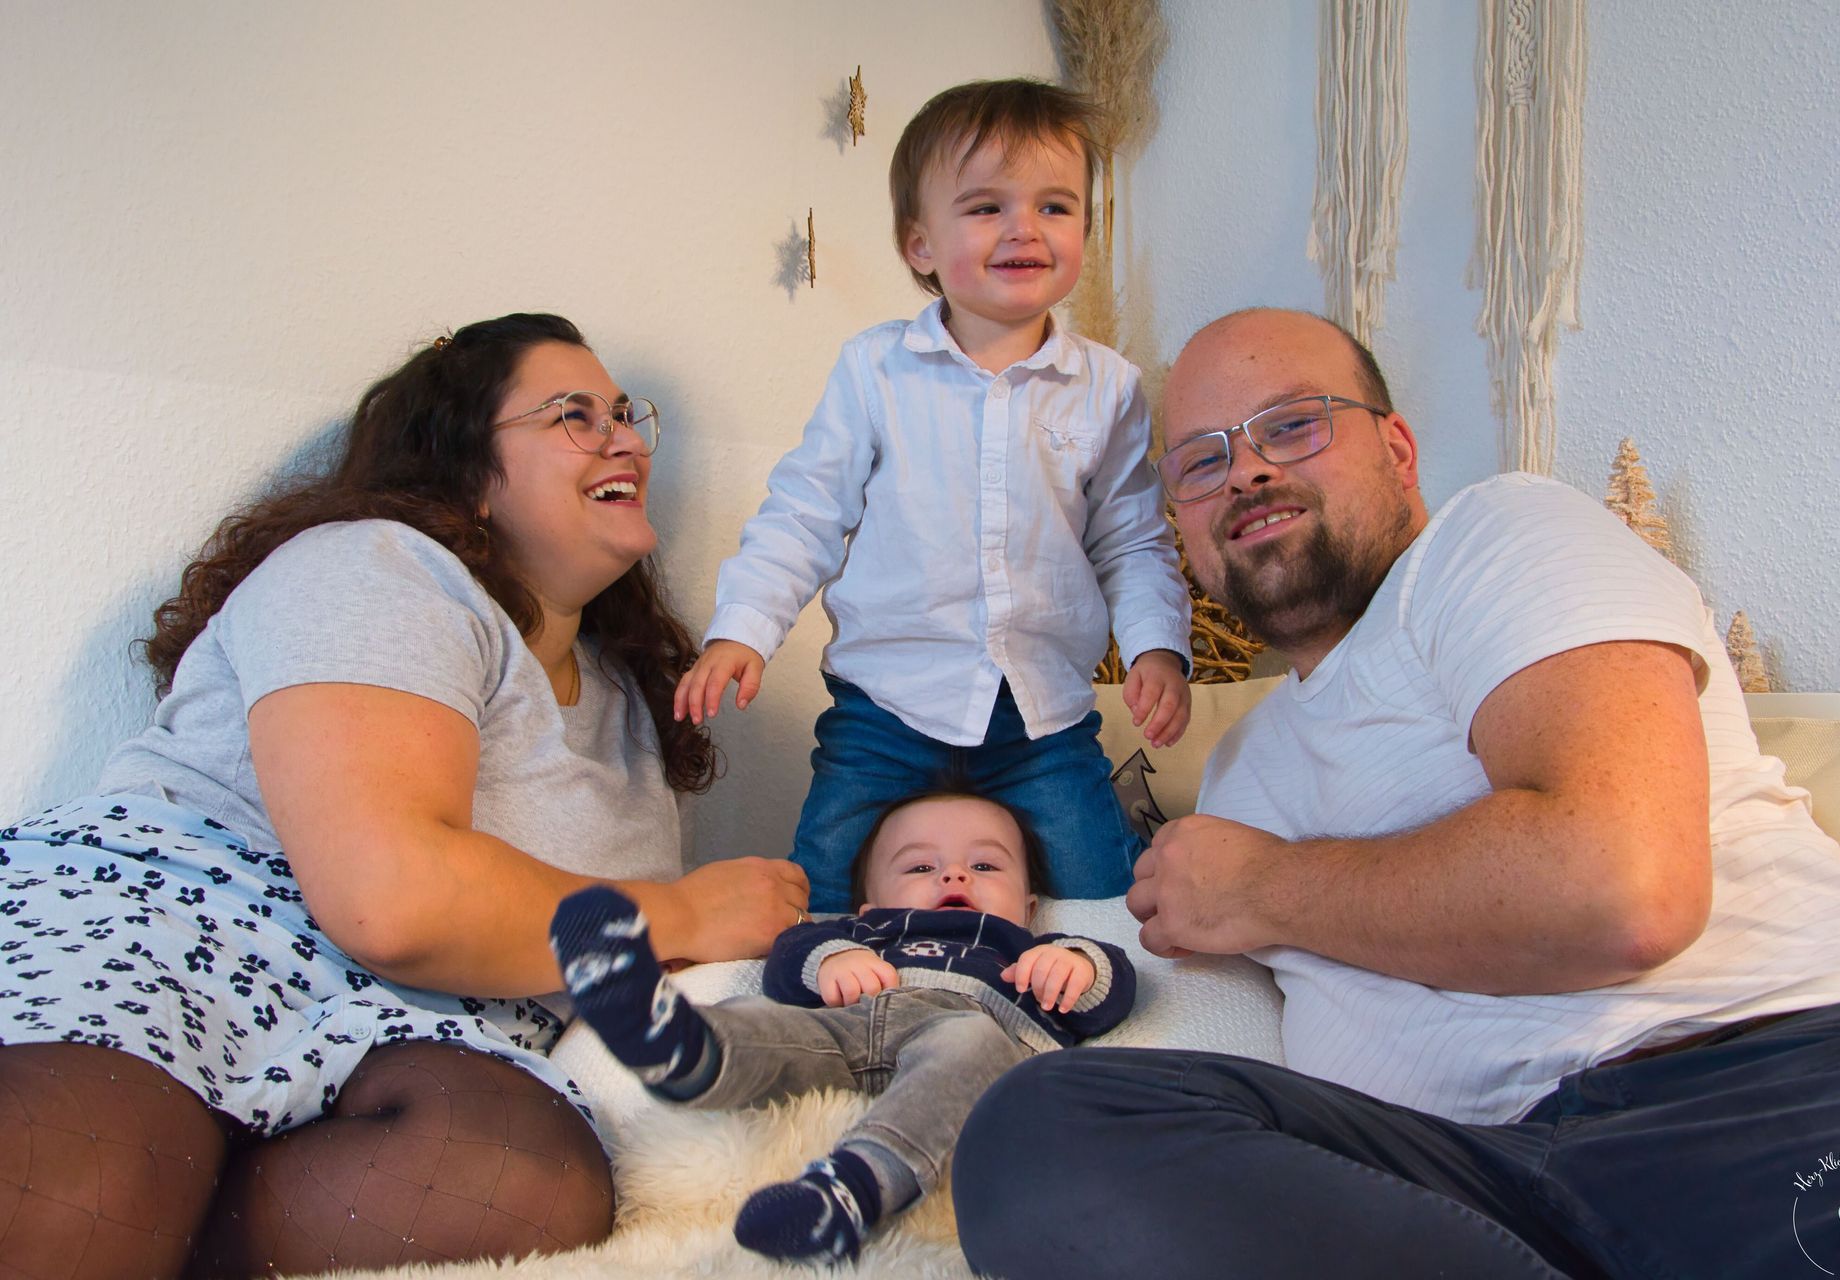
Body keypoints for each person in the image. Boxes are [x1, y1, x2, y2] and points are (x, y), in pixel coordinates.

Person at [951, 309, 1840, 1280]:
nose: (1245, 471)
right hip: (1471, 1190)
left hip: (1768, 1075)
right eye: (1202, 461)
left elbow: (1620, 891)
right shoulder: (1239, 769)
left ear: (1399, 449)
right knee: (1038, 1131)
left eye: (1293, 425)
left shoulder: (1501, 537)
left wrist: (1262, 888)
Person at [0, 313, 811, 1280]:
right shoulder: (376, 565)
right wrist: (684, 912)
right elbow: (391, 897)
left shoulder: (629, 700)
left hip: (430, 1023)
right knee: (89, 1170)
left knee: (519, 1181)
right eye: (574, 414)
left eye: (626, 414)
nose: (625, 439)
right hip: (204, 923)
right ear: (466, 467)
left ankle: (174, 1214)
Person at [672, 79, 1194, 912]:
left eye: (1055, 207)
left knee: (1101, 891)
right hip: (886, 710)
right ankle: (831, 978)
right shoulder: (876, 370)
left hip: (1041, 721)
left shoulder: (1110, 389)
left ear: (1083, 233)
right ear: (919, 244)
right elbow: (805, 514)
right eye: (987, 208)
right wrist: (744, 629)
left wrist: (1156, 648)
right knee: (825, 883)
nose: (1025, 228)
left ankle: (1071, 980)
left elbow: (1132, 540)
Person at [549, 789, 1135, 1266]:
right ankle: (681, 1048)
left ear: (1029, 907)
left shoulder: (1029, 948)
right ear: (869, 906)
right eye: (920, 866)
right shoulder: (864, 935)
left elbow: (1112, 993)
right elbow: (786, 961)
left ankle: (853, 1187)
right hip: (850, 1027)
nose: (954, 874)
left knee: (969, 1042)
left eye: (985, 865)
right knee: (760, 1018)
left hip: (970, 1037)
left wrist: (1078, 966)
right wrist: (830, 959)